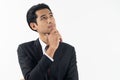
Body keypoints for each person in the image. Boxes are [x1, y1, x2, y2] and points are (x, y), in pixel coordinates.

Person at [17, 3, 79, 80]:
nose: (50, 20)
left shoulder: (69, 50)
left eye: (51, 16)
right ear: (33, 26)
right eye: (43, 18)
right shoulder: (25, 49)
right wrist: (52, 49)